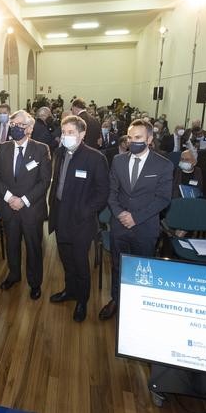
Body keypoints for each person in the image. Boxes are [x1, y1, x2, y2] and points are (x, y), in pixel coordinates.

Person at [99, 119, 173, 321]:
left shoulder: (164, 165)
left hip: (145, 227)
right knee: (117, 265)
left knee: (143, 269)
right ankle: (116, 299)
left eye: (138, 138)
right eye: (130, 138)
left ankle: (139, 304)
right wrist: (120, 213)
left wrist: (136, 218)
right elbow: (111, 191)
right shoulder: (118, 161)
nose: (133, 142)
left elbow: (163, 198)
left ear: (149, 139)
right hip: (119, 224)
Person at [48, 115, 109, 322]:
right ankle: (70, 290)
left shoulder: (95, 158)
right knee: (66, 260)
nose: (65, 136)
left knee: (80, 263)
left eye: (70, 132)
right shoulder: (59, 153)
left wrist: (85, 211)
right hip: (60, 216)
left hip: (81, 222)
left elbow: (103, 193)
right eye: (63, 132)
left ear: (82, 134)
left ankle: (82, 300)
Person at [0, 110, 51, 300]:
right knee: (12, 245)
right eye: (13, 125)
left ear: (30, 128)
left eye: (20, 125)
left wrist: (23, 201)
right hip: (9, 208)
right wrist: (10, 198)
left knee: (33, 247)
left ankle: (35, 283)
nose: (16, 128)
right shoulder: (3, 148)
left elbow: (44, 181)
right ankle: (14, 275)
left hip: (31, 209)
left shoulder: (41, 149)